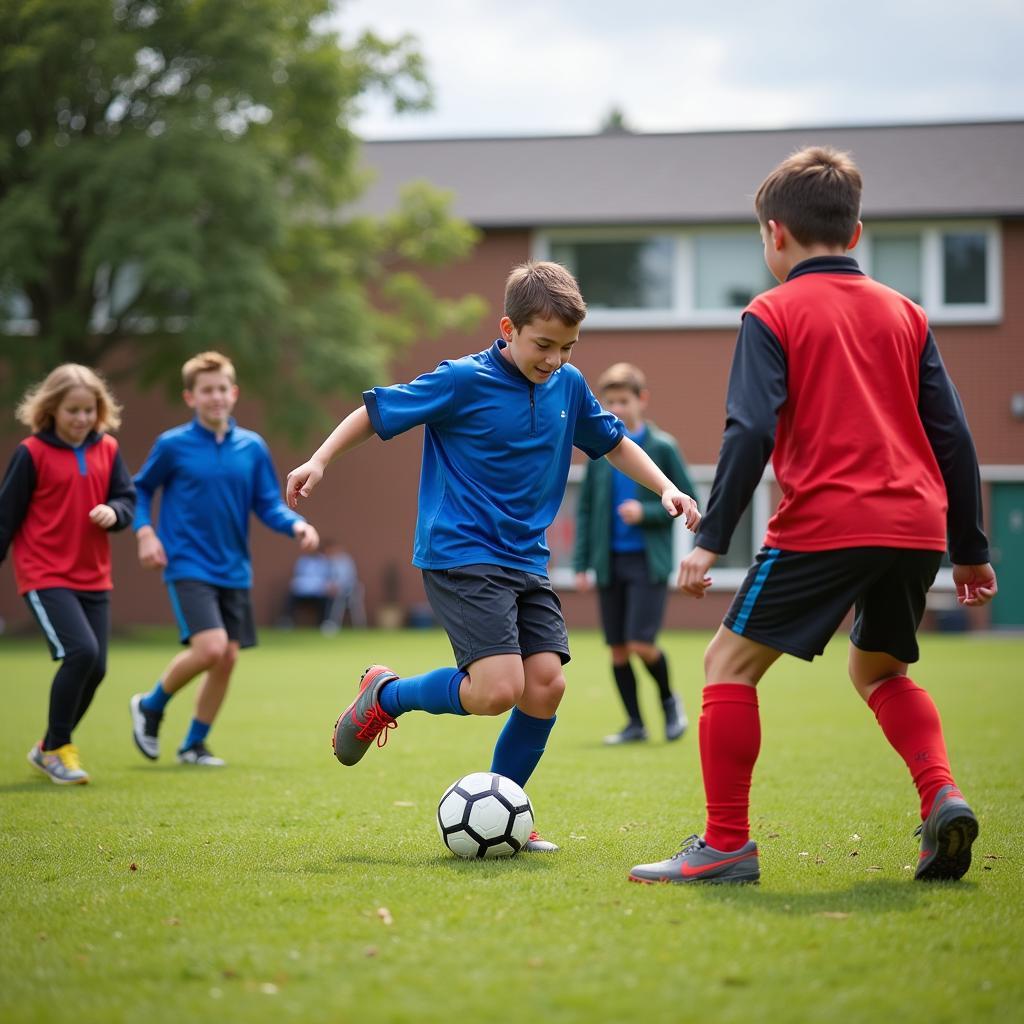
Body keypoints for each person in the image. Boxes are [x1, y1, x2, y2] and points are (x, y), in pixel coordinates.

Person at [629, 147, 998, 886]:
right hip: (916, 529)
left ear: (774, 235)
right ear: (856, 233)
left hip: (827, 523)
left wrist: (709, 539)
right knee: (880, 668)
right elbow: (952, 436)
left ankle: (726, 844)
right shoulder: (908, 313)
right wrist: (969, 549)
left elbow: (752, 431)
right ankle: (941, 797)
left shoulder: (771, 312)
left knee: (726, 664)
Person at [286, 260, 700, 851]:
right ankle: (385, 696)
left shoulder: (569, 386)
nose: (554, 359)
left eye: (567, 347)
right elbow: (374, 414)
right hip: (461, 550)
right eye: (543, 344)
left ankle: (504, 812)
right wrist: (319, 460)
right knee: (495, 690)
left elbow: (615, 444)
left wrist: (666, 489)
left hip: (525, 559)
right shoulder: (462, 380)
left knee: (546, 686)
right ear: (507, 328)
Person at [129, 351, 319, 767]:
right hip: (187, 563)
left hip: (233, 568)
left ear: (233, 393)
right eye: (205, 390)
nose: (214, 397)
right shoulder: (172, 445)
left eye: (221, 389)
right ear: (190, 397)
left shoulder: (251, 447)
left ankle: (193, 745)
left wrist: (295, 525)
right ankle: (151, 705)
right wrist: (145, 533)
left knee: (227, 657)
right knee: (211, 647)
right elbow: (140, 490)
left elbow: (267, 503)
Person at [0, 365, 135, 784]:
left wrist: (114, 512)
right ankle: (58, 748)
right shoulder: (31, 453)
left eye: (88, 410)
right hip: (44, 574)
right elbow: (5, 519)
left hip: (93, 576)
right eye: (72, 410)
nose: (80, 419)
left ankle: (47, 747)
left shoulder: (108, 449)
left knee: (96, 668)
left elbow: (126, 499)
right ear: (51, 409)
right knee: (81, 653)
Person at [574, 362, 696, 745]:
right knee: (618, 649)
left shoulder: (662, 447)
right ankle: (635, 724)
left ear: (641, 400)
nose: (617, 409)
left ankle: (669, 702)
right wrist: (581, 564)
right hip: (609, 563)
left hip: (647, 562)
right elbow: (587, 510)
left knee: (642, 644)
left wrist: (644, 513)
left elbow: (686, 498)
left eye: (624, 400)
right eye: (609, 402)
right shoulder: (598, 453)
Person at [281, 540, 361, 633]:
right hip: (313, 592)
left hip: (341, 591)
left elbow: (346, 579)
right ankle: (286, 621)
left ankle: (328, 623)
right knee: (291, 596)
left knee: (329, 597)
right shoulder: (311, 561)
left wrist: (335, 586)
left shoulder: (343, 561)